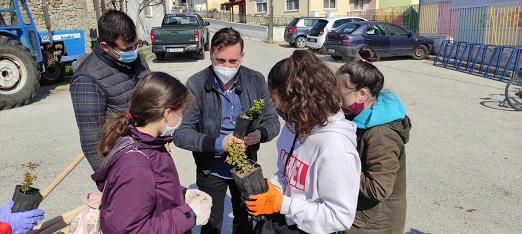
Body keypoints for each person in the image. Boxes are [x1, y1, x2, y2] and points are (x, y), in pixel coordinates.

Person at [172, 27, 280, 234]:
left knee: (246, 220)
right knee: (211, 223)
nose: (226, 66)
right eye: (220, 61)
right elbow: (182, 133)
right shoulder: (196, 84)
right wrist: (219, 143)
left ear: (242, 56)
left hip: (246, 167)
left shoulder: (256, 80)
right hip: (210, 168)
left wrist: (260, 134)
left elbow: (272, 120)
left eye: (233, 61)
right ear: (211, 54)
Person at [245, 50, 361, 234]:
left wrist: (282, 204)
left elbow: (339, 217)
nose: (274, 107)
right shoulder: (293, 127)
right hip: (283, 220)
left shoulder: (335, 148)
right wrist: (271, 189)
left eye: (275, 100)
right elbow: (286, 172)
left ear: (295, 99)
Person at [91, 72, 212, 233]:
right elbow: (130, 230)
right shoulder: (136, 167)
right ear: (167, 113)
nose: (182, 117)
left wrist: (182, 194)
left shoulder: (148, 143)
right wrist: (190, 214)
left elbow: (155, 186)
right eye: (181, 112)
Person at [335, 50, 411, 234]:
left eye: (341, 97)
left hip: (373, 224)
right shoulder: (362, 118)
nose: (337, 103)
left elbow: (379, 188)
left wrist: (339, 167)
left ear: (362, 94)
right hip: (362, 215)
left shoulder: (381, 134)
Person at [70, 9, 150, 172]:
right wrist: (110, 179)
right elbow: (92, 142)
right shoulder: (87, 80)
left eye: (136, 45)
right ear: (105, 46)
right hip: (125, 163)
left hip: (151, 151)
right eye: (127, 49)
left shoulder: (137, 59)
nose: (134, 53)